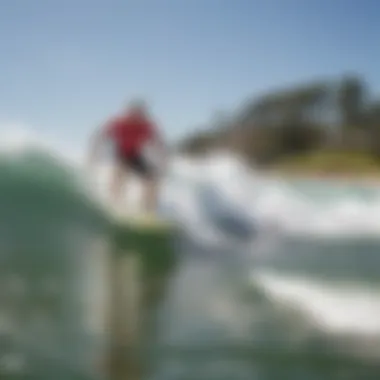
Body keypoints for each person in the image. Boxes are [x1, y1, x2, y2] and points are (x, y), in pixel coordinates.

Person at [87, 100, 166, 216]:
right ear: (129, 113)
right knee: (119, 179)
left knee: (152, 179)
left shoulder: (146, 126)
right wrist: (93, 156)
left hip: (135, 157)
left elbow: (158, 143)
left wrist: (163, 160)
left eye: (140, 114)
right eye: (134, 113)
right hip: (121, 156)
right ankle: (114, 207)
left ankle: (149, 211)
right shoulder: (119, 123)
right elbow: (100, 137)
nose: (137, 116)